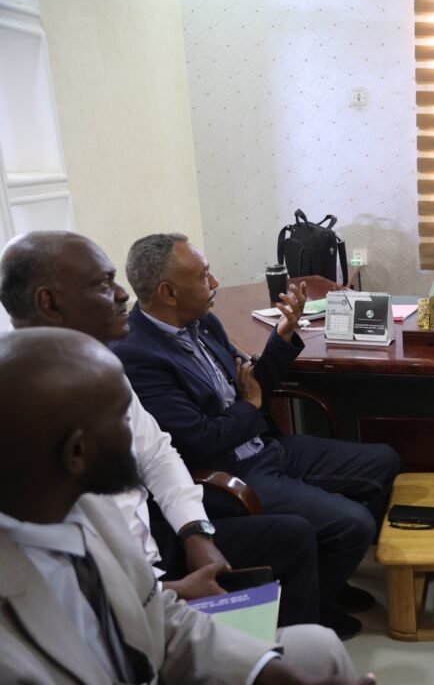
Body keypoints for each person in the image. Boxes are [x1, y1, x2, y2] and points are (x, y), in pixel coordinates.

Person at [0, 327, 373, 684]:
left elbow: (156, 617)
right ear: (77, 452)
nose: (135, 436)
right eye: (121, 420)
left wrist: (265, 673)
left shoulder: (91, 513)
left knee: (319, 648)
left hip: (155, 652)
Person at [0, 231, 325, 631]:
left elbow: (158, 454)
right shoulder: (20, 405)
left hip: (161, 545)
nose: (123, 294)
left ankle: (276, 646)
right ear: (49, 303)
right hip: (122, 601)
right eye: (103, 284)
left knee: (293, 542)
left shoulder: (100, 366)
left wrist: (196, 533)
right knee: (314, 647)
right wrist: (167, 592)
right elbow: (62, 577)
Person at [110, 233, 401, 638]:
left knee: (383, 461)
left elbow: (252, 384)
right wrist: (249, 405)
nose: (215, 283)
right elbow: (201, 440)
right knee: (352, 523)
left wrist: (282, 336)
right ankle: (314, 604)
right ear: (169, 292)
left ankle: (327, 583)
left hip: (264, 445)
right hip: (230, 471)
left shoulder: (203, 323)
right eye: (203, 276)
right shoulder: (138, 356)